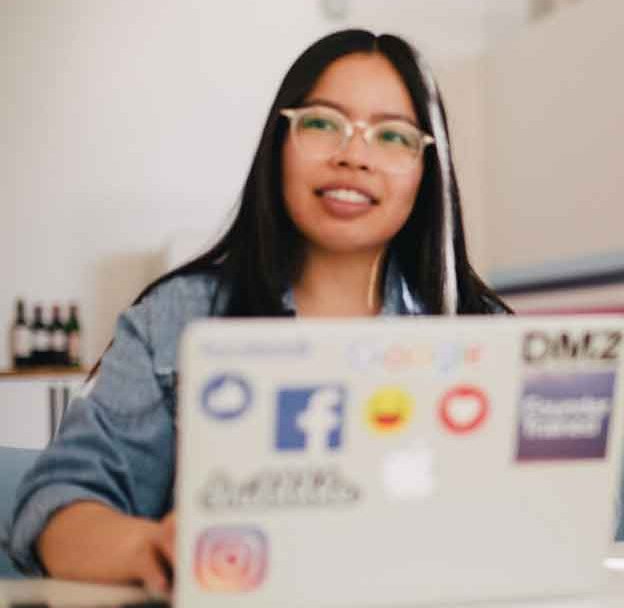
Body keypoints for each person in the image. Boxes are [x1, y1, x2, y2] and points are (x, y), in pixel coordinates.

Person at [3, 29, 508, 588]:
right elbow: (56, 502)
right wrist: (149, 547)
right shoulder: (177, 318)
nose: (353, 155)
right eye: (322, 123)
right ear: (279, 145)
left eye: (393, 136)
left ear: (426, 170)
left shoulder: (485, 332)